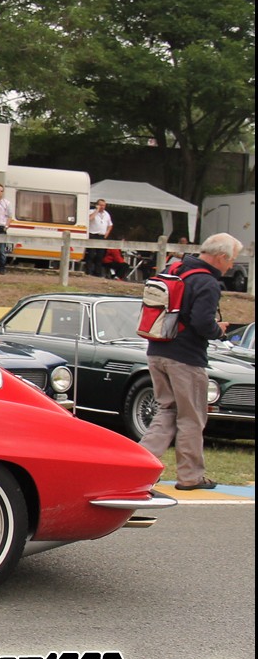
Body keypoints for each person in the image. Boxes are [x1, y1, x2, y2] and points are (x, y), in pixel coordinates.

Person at [138, 233, 240, 491]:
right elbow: (202, 323)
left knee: (166, 411)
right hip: (186, 358)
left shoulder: (173, 269)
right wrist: (219, 330)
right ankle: (190, 476)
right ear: (221, 257)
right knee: (192, 418)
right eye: (232, 260)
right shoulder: (207, 282)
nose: (231, 266)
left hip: (157, 349)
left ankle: (139, 468)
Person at [85, 199, 114, 277]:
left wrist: (107, 233)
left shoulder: (106, 214)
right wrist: (96, 211)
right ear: (97, 205)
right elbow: (89, 219)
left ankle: (97, 272)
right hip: (93, 234)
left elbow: (110, 225)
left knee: (100, 255)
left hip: (101, 236)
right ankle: (88, 271)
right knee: (91, 254)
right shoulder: (91, 211)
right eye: (101, 205)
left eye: (103, 205)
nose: (102, 207)